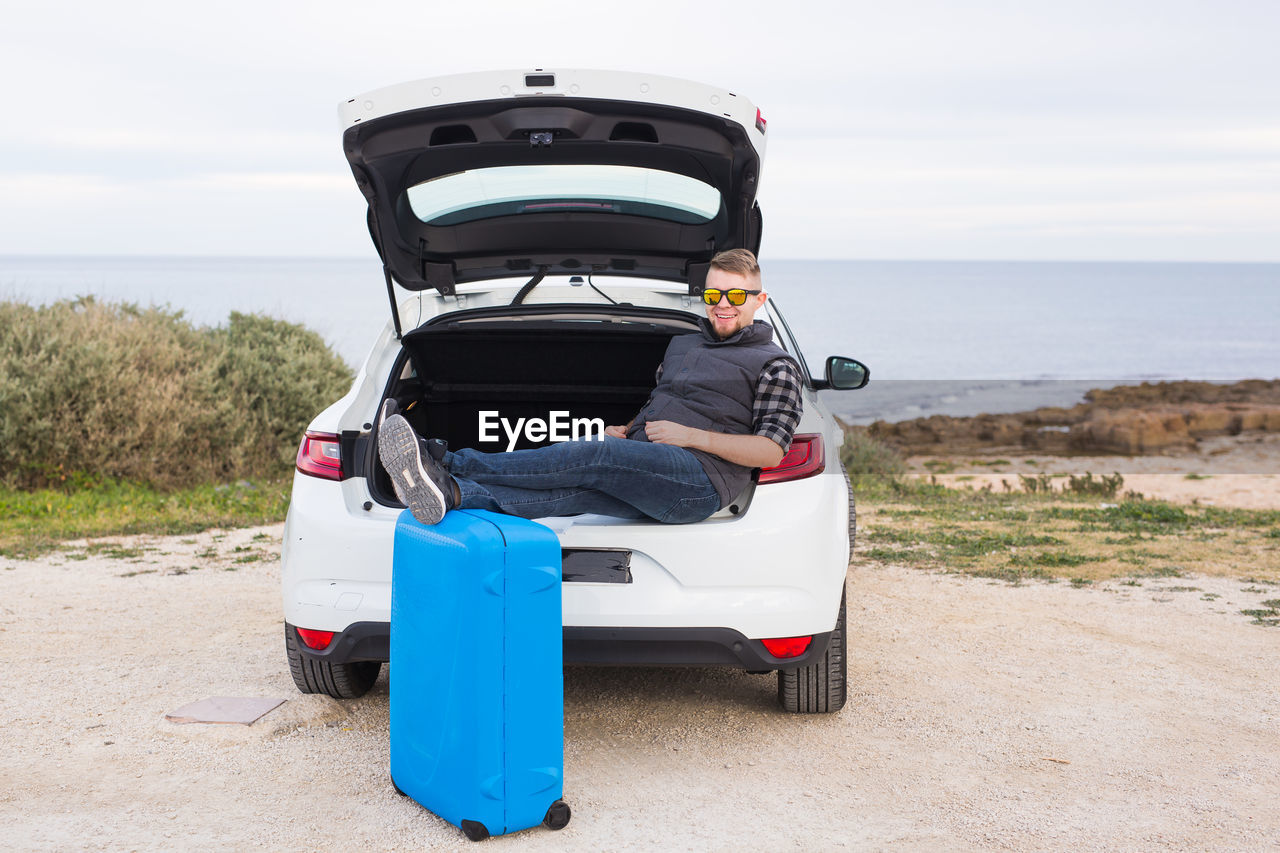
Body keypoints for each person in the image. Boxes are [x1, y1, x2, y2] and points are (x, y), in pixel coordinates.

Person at [377, 248, 802, 526]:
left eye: (735, 295)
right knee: (572, 493)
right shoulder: (684, 343)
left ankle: (445, 459)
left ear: (758, 300)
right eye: (713, 294)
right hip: (653, 457)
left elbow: (770, 450)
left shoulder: (774, 365)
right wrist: (631, 428)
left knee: (597, 455)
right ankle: (450, 493)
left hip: (702, 483)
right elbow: (662, 399)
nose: (722, 304)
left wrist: (692, 437)